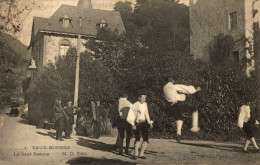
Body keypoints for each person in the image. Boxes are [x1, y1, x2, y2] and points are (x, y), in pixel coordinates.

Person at [163, 76, 201, 142]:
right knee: (194, 110)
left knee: (179, 118)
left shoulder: (164, 88)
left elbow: (174, 95)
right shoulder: (174, 86)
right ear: (173, 80)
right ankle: (195, 127)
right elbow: (185, 89)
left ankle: (178, 134)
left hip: (170, 106)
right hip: (177, 104)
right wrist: (196, 90)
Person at [131, 94, 153, 159]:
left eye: (145, 98)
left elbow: (146, 113)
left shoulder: (145, 104)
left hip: (145, 123)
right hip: (137, 123)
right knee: (137, 138)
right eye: (143, 98)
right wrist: (133, 124)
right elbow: (131, 115)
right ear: (139, 98)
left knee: (145, 139)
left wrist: (150, 123)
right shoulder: (134, 105)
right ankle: (135, 154)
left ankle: (141, 154)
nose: (144, 99)